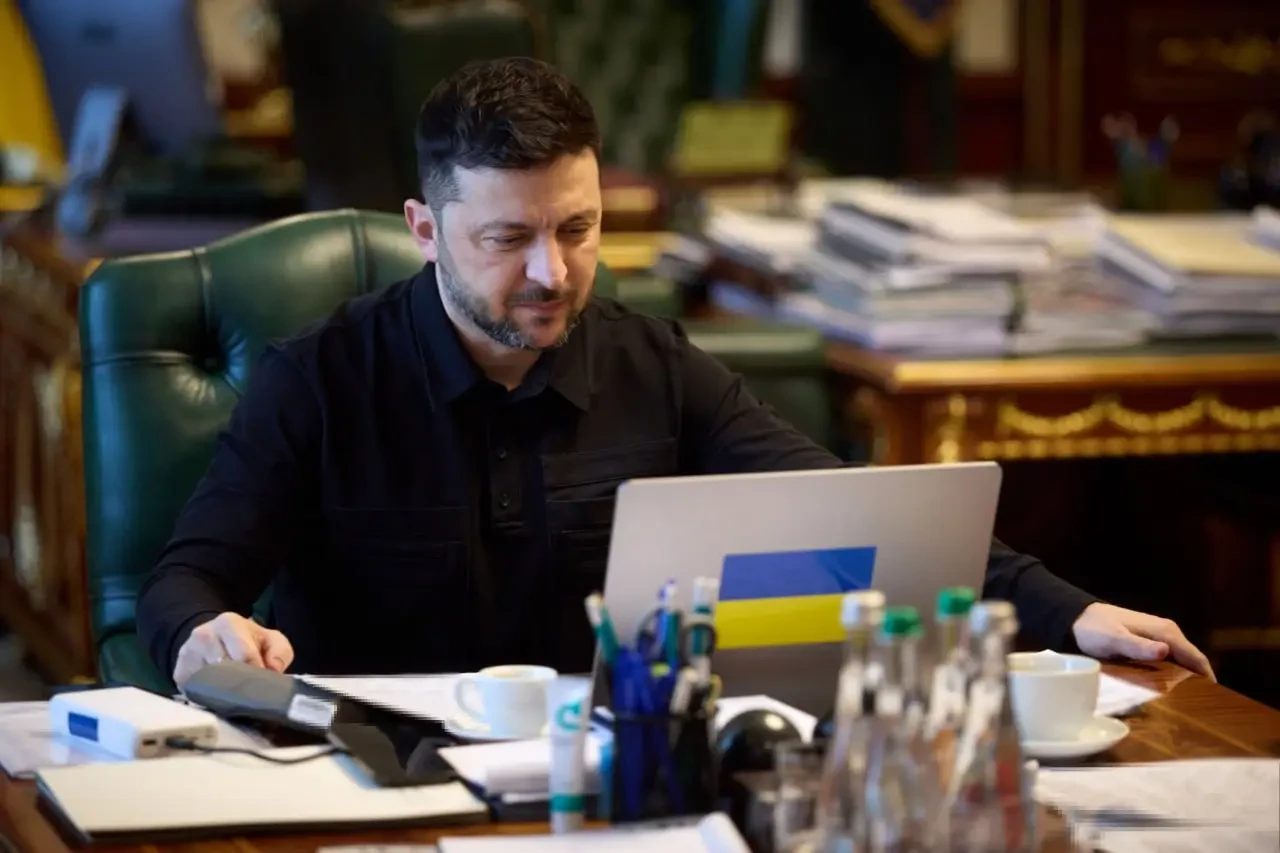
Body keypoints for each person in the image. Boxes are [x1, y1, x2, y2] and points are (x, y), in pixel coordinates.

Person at [135, 58, 1214, 687]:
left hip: (610, 790)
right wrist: (202, 634)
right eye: (507, 238)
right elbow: (183, 583)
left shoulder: (651, 363)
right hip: (372, 795)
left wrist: (1065, 609)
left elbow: (861, 514)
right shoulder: (317, 379)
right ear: (424, 228)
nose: (552, 273)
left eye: (579, 228)